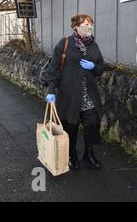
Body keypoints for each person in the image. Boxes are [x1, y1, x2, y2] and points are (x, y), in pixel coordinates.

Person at [44, 14, 105, 171]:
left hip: (89, 95)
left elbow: (100, 69)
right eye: (84, 24)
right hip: (69, 95)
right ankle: (71, 155)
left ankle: (88, 154)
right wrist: (51, 89)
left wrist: (94, 67)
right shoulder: (64, 44)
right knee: (70, 126)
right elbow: (54, 68)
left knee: (92, 124)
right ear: (75, 27)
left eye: (90, 24)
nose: (88, 27)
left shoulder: (94, 45)